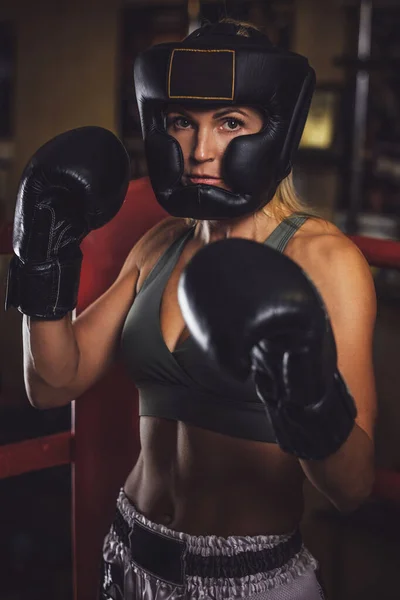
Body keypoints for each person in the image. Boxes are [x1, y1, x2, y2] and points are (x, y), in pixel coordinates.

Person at [5, 19, 377, 600]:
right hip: (130, 556)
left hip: (250, 580)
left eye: (230, 123)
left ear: (272, 133)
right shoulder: (159, 244)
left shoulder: (325, 260)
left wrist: (302, 385)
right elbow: (54, 382)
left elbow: (352, 488)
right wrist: (40, 258)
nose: (200, 151)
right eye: (182, 122)